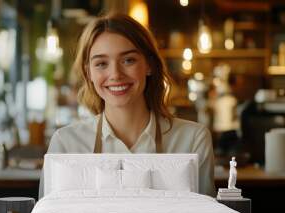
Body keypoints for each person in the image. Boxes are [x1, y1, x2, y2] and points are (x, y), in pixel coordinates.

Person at [39, 13, 215, 198]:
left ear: (149, 65)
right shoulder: (66, 143)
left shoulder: (193, 140)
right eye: (101, 63)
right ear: (88, 72)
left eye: (128, 60)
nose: (115, 74)